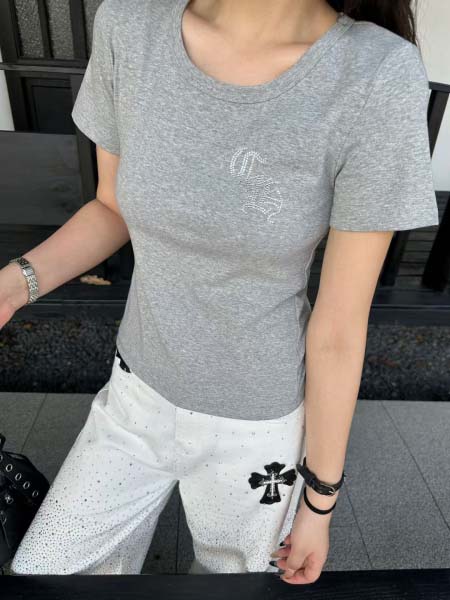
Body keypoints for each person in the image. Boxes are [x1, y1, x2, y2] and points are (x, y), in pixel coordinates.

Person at [2, 0, 438, 585]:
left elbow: (338, 326)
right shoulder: (130, 25)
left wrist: (319, 501)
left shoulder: (374, 72)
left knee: (233, 587)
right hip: (134, 397)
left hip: (257, 430)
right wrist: (12, 286)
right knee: (44, 576)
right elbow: (111, 207)